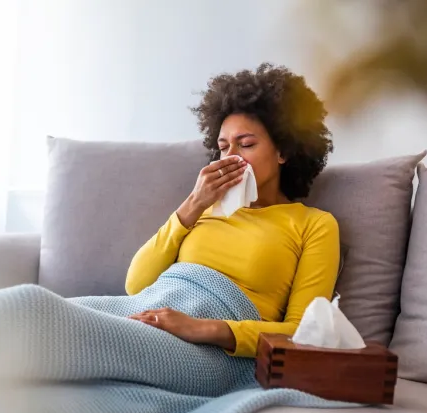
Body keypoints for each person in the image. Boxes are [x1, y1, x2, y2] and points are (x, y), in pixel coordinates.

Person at [126, 63, 340, 358]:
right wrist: (194, 203)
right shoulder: (202, 208)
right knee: (39, 307)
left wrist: (202, 328)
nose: (231, 158)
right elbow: (136, 286)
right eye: (224, 147)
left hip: (208, 351)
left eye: (247, 144)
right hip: (144, 317)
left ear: (284, 151)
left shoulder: (313, 224)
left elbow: (304, 332)